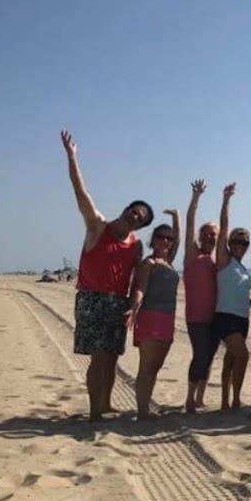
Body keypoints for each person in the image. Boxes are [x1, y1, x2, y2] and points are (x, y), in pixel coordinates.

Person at [61, 129, 151, 422]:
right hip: (92, 298)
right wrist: (72, 156)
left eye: (140, 218)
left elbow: (139, 276)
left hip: (118, 302)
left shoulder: (135, 245)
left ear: (140, 226)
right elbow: (80, 192)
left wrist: (134, 304)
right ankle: (93, 409)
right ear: (126, 209)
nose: (134, 217)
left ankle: (106, 402)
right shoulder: (97, 226)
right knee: (99, 357)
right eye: (133, 211)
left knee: (112, 357)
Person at [125, 213, 181, 420]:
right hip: (151, 317)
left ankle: (145, 407)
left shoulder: (169, 262)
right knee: (147, 367)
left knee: (155, 367)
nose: (165, 241)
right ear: (153, 239)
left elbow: (179, 239)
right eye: (160, 236)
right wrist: (134, 307)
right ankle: (141, 412)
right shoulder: (150, 263)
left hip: (168, 319)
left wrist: (177, 217)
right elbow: (140, 287)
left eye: (169, 238)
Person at [213, 183, 251, 411]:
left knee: (230, 360)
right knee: (243, 356)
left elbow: (240, 292)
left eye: (244, 242)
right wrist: (226, 199)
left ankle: (225, 402)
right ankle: (236, 400)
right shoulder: (224, 260)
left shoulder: (243, 268)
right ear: (229, 243)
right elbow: (224, 227)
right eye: (236, 241)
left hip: (242, 318)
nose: (240, 244)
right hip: (225, 317)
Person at [183, 179, 219, 414]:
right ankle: (189, 398)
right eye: (205, 234)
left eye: (213, 234)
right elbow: (189, 222)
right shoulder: (191, 255)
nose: (209, 237)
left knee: (210, 356)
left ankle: (200, 398)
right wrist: (196, 198)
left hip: (215, 316)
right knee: (201, 354)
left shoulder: (218, 259)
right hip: (196, 317)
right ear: (199, 237)